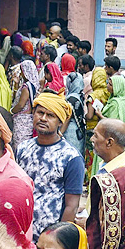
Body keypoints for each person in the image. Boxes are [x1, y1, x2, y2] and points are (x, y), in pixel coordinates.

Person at [17, 91, 85, 239]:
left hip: (48, 238)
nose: (43, 118)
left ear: (60, 121)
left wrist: (56, 240)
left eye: (50, 115)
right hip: (20, 231)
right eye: (40, 112)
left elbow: (71, 206)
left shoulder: (71, 157)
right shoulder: (23, 148)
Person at [10, 53, 39, 148]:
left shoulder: (26, 87)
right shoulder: (34, 85)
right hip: (28, 119)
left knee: (19, 145)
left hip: (22, 120)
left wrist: (11, 111)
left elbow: (21, 105)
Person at [61, 53, 86, 153]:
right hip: (78, 131)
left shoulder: (71, 98)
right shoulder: (80, 95)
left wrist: (60, 132)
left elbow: (68, 117)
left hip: (70, 131)